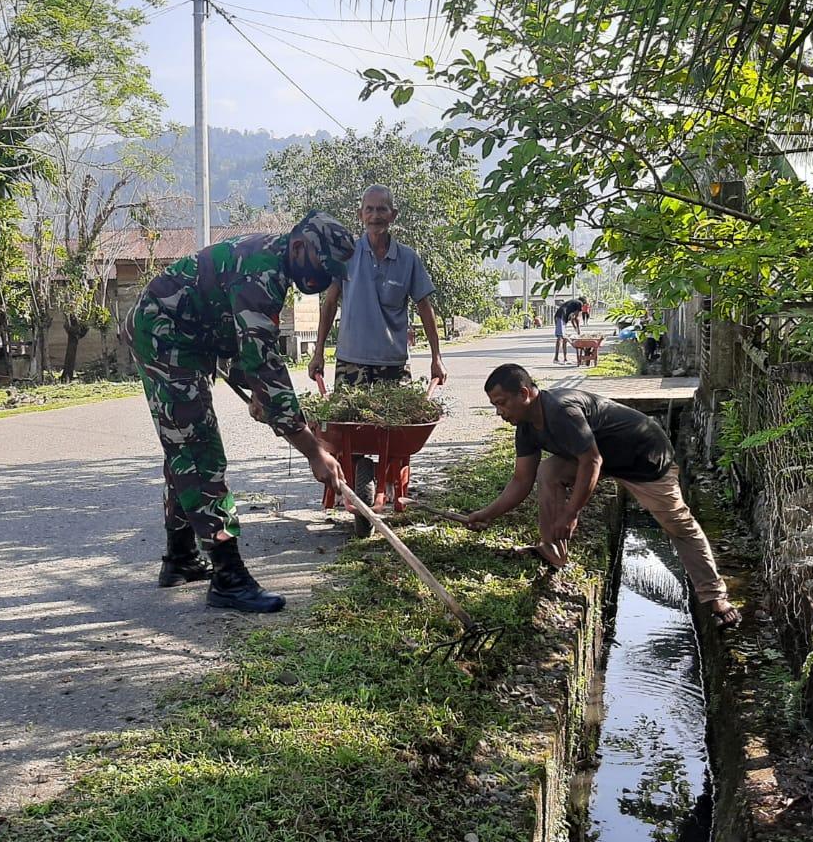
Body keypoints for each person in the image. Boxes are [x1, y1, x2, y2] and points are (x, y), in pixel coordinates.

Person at [121, 211, 352, 614]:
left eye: (332, 273)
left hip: (190, 335)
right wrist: (313, 451)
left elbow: (244, 344)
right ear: (301, 248)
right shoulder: (261, 274)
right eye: (323, 267)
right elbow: (266, 363)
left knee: (184, 446)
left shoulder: (276, 264)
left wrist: (254, 387)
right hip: (162, 334)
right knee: (197, 450)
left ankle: (180, 558)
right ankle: (228, 577)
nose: (324, 280)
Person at [465, 363, 742, 628]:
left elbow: (592, 461)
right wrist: (485, 515)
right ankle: (553, 550)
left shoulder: (560, 411)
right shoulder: (525, 426)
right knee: (548, 472)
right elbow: (521, 480)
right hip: (603, 457)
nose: (499, 412)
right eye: (494, 405)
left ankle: (715, 597)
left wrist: (571, 513)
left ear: (524, 394)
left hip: (644, 459)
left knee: (679, 527)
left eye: (501, 403)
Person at [308, 184, 447, 390]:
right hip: (351, 362)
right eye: (369, 209)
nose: (375, 216)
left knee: (397, 422)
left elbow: (425, 309)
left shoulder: (408, 259)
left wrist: (436, 358)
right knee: (349, 421)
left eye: (382, 209)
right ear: (360, 215)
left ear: (393, 215)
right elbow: (329, 304)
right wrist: (318, 352)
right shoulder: (346, 255)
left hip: (393, 364)